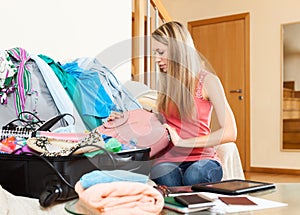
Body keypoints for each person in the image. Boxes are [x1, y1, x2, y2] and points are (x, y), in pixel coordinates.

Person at [149, 21, 237, 187]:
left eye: (160, 52)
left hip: (202, 159)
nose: (156, 59)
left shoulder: (208, 81)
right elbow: (163, 123)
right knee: (165, 175)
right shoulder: (166, 85)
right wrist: (125, 118)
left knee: (195, 175)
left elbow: (230, 132)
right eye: (155, 53)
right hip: (169, 159)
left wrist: (182, 142)